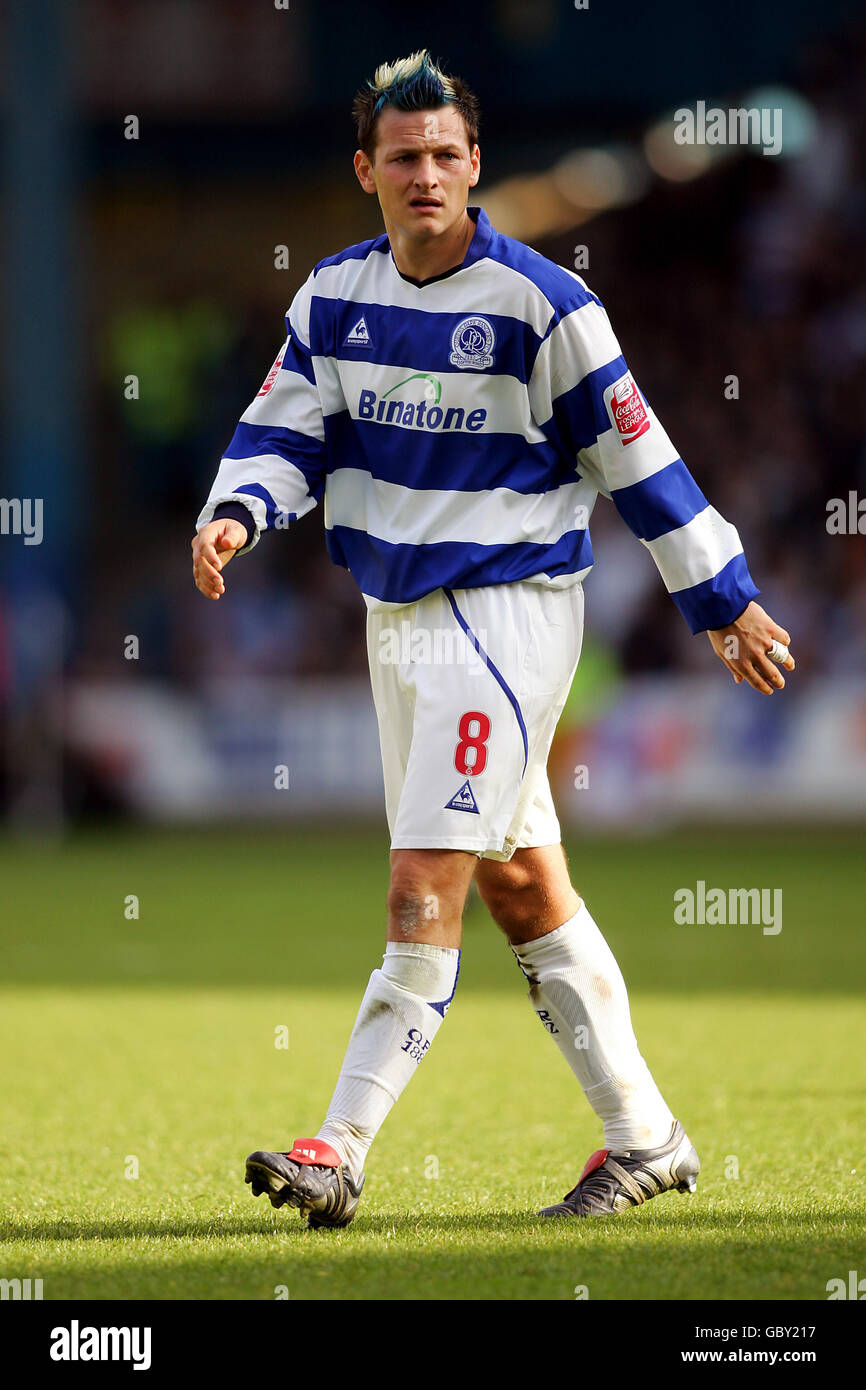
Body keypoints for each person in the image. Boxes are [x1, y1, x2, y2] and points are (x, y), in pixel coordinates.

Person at [191, 49, 795, 1229]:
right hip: (397, 619)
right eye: (403, 157)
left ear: (475, 165)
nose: (426, 175)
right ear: (366, 169)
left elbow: (638, 452)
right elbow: (284, 427)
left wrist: (718, 593)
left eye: (446, 156)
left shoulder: (543, 307)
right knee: (523, 885)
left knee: (426, 880)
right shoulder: (330, 298)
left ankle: (338, 1146)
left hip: (506, 613)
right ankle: (645, 1138)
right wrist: (233, 511)